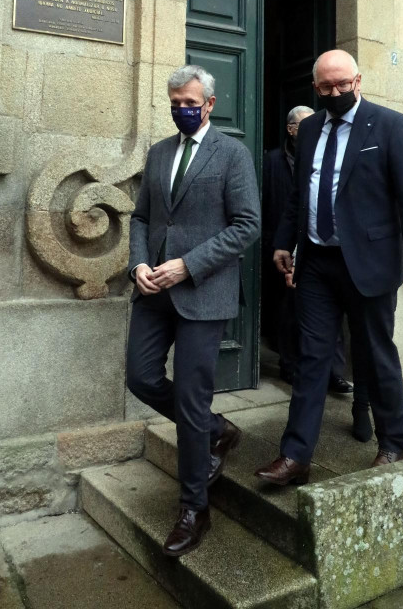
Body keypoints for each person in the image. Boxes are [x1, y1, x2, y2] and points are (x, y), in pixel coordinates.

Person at [255, 50, 403, 486]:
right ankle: (295, 456)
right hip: (317, 261)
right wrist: (284, 242)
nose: (335, 93)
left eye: (342, 85)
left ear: (358, 80)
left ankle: (393, 443)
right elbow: (301, 194)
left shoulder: (390, 126)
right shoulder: (312, 127)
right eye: (325, 88)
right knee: (311, 357)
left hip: (370, 263)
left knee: (376, 354)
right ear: (315, 88)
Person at [127, 64, 260, 557]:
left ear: (209, 104)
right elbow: (141, 216)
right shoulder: (160, 152)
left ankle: (193, 508)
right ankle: (216, 429)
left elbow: (247, 226)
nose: (181, 110)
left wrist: (188, 264)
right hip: (154, 291)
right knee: (140, 377)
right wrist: (138, 262)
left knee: (188, 396)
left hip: (205, 291)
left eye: (189, 103)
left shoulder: (233, 154)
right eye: (174, 103)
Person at [262, 105, 354, 393]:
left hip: (320, 245)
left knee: (333, 311)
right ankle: (290, 366)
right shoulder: (271, 161)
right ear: (291, 129)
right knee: (288, 310)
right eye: (305, 124)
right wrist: (277, 242)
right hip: (284, 246)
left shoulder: (324, 153)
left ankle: (334, 373)